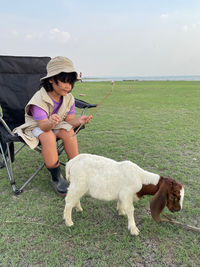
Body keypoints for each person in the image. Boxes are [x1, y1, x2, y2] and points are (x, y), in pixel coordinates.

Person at [13, 56, 92, 196]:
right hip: (36, 126)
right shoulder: (39, 99)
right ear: (51, 79)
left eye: (71, 83)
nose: (68, 86)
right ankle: (56, 177)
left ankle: (76, 168)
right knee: (48, 136)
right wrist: (50, 122)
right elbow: (43, 126)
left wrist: (79, 121)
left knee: (68, 132)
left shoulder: (69, 98)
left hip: (56, 124)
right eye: (64, 81)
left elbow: (69, 121)